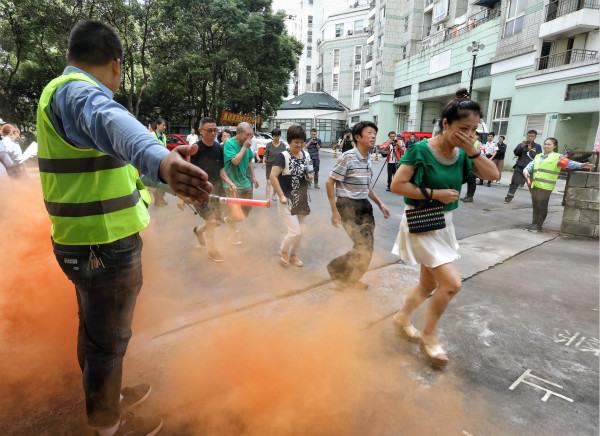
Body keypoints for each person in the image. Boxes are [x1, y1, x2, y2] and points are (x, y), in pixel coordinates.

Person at [37, 20, 212, 436]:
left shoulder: (54, 93)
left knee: (94, 332)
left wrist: (161, 164)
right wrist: (162, 160)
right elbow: (113, 122)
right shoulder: (80, 93)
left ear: (70, 56)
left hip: (81, 243)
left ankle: (108, 400)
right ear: (116, 64)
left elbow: (115, 158)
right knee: (108, 344)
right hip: (104, 245)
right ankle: (110, 425)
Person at [390, 88, 498, 367]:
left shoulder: (464, 153)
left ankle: (401, 318)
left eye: (474, 130)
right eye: (463, 128)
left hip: (443, 225)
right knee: (451, 285)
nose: (469, 134)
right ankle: (429, 335)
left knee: (428, 284)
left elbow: (493, 175)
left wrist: (473, 150)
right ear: (446, 124)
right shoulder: (419, 150)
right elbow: (397, 185)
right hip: (421, 222)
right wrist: (435, 194)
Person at [326, 121, 390, 290]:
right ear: (357, 137)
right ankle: (336, 268)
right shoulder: (348, 157)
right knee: (363, 246)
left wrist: (380, 204)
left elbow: (366, 186)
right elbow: (330, 182)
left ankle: (349, 279)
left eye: (375, 133)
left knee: (366, 247)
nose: (373, 136)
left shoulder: (368, 158)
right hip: (347, 206)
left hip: (364, 206)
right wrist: (334, 211)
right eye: (369, 133)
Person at [178, 117, 236, 262]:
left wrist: (229, 182)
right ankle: (212, 250)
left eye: (215, 130)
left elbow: (221, 170)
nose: (213, 133)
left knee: (217, 221)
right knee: (211, 220)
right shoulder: (195, 150)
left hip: (217, 191)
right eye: (209, 130)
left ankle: (199, 230)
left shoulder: (218, 148)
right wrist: (180, 195)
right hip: (200, 192)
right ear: (201, 131)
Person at [523, 138, 595, 232]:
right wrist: (525, 171)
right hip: (535, 185)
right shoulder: (538, 156)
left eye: (549, 144)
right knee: (536, 206)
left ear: (555, 146)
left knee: (542, 206)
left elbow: (569, 163)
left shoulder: (557, 157)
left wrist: (581, 165)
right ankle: (533, 224)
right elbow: (530, 166)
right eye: (545, 144)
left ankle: (539, 226)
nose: (546, 146)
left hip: (546, 187)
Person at [270, 124, 313, 267]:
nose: (300, 145)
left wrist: (309, 177)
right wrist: (281, 195)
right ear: (289, 141)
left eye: (302, 142)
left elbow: (310, 172)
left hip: (301, 199)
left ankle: (293, 255)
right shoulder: (283, 156)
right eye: (296, 142)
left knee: (301, 231)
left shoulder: (306, 155)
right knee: (295, 231)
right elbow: (273, 177)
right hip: (286, 200)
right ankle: (283, 251)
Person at [223, 122, 259, 244]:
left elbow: (249, 160)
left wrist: (253, 177)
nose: (250, 138)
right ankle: (232, 235)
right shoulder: (229, 144)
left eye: (251, 135)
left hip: (244, 182)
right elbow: (235, 161)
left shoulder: (246, 144)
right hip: (231, 183)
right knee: (235, 211)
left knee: (247, 208)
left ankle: (230, 219)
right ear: (238, 133)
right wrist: (244, 147)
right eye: (247, 135)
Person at [504, 130, 542, 204]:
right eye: (529, 136)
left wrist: (531, 150)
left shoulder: (537, 146)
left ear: (535, 137)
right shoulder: (521, 144)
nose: (530, 137)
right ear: (526, 136)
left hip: (531, 170)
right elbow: (516, 153)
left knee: (532, 186)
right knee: (514, 183)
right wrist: (521, 147)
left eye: (532, 136)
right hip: (520, 168)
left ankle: (536, 202)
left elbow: (538, 157)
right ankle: (508, 198)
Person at [263, 128, 287, 201]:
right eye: (274, 136)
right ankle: (267, 198)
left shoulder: (283, 145)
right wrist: (263, 162)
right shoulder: (269, 145)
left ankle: (274, 194)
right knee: (269, 181)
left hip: (278, 166)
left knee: (277, 181)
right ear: (272, 136)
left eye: (277, 136)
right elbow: (265, 154)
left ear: (279, 136)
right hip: (270, 165)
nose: (276, 137)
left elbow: (285, 155)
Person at [151, 117, 169, 207]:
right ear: (157, 125)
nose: (164, 127)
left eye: (165, 125)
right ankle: (158, 200)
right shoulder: (151, 135)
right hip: (155, 162)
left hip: (163, 162)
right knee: (156, 182)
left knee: (164, 181)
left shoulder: (164, 136)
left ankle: (161, 198)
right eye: (163, 125)